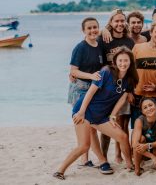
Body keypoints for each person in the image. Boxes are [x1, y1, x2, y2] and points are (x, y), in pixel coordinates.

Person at [53, 47, 138, 180]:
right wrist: (81, 112)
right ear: (115, 61)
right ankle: (60, 170)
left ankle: (129, 164)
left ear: (131, 62)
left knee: (122, 136)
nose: (123, 63)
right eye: (120, 60)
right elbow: (90, 92)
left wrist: (113, 115)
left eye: (126, 60)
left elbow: (122, 98)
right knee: (84, 146)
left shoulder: (130, 79)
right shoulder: (106, 72)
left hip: (101, 116)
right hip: (85, 111)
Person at [98, 9, 135, 163]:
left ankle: (119, 155)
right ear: (111, 23)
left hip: (123, 87)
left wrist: (131, 90)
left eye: (122, 21)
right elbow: (94, 51)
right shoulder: (104, 39)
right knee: (106, 124)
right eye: (116, 21)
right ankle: (103, 157)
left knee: (122, 123)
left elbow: (132, 68)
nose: (120, 24)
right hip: (107, 87)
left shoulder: (129, 41)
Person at [68, 17, 104, 167]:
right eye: (89, 28)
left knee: (91, 127)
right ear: (83, 31)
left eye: (95, 27)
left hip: (93, 90)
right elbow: (73, 71)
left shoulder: (99, 46)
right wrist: (91, 76)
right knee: (84, 125)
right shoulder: (80, 48)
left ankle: (85, 159)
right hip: (80, 89)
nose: (92, 30)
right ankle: (84, 159)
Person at [132, 22, 156, 126]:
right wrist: (128, 92)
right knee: (138, 129)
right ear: (150, 33)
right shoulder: (137, 48)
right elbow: (129, 71)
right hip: (138, 95)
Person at [132, 98, 156, 176]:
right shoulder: (139, 121)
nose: (149, 108)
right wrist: (152, 156)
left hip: (155, 147)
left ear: (155, 106)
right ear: (142, 112)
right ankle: (137, 168)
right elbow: (134, 145)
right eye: (145, 107)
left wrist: (148, 146)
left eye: (150, 105)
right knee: (141, 139)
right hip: (143, 151)